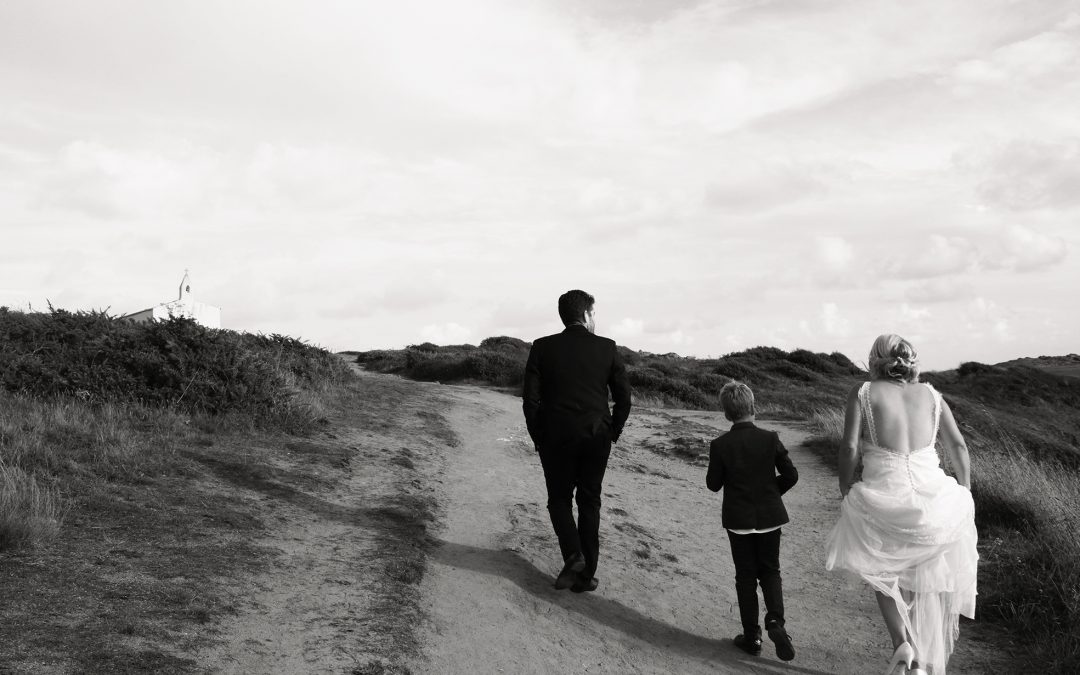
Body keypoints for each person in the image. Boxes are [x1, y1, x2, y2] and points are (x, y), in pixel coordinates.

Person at [825, 334, 977, 675]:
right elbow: (959, 447)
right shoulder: (932, 395)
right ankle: (921, 660)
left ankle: (902, 644)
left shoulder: (863, 393)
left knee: (881, 570)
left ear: (874, 359)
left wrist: (845, 486)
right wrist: (963, 493)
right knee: (924, 577)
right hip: (935, 498)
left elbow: (849, 447)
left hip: (885, 495)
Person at [523, 290, 632, 593]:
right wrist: (614, 430)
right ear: (585, 314)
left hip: (554, 437)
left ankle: (573, 556)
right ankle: (586, 574)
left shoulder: (542, 347)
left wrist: (537, 435)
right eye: (594, 313)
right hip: (597, 436)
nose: (595, 319)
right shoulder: (607, 348)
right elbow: (624, 398)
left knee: (559, 500)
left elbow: (530, 400)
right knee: (589, 501)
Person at [706, 381, 799, 661]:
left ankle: (752, 636)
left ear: (726, 413)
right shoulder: (771, 438)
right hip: (770, 516)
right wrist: (770, 492)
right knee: (770, 570)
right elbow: (791, 475)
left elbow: (713, 484)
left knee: (745, 577)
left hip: (739, 519)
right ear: (753, 406)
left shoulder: (720, 445)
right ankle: (776, 622)